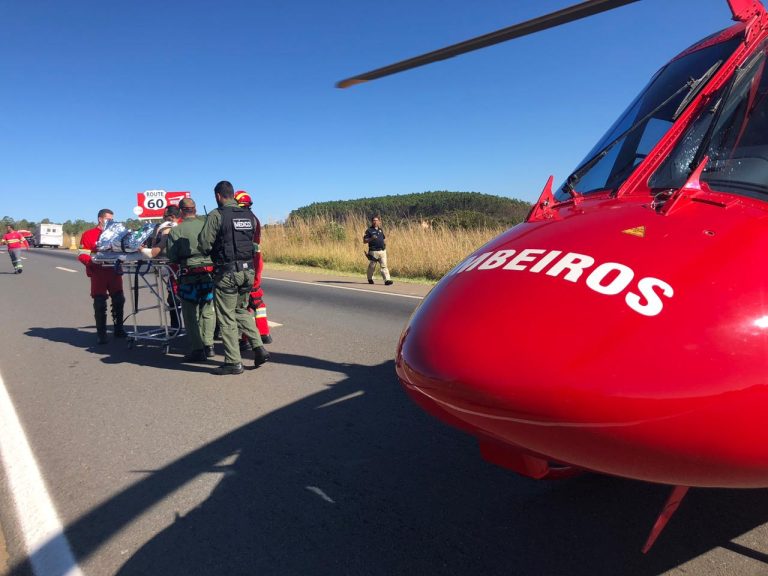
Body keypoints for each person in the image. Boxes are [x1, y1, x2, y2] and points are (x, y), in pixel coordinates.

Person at [198, 181, 269, 375]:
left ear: (218, 196)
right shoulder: (249, 216)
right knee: (240, 309)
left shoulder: (216, 215)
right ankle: (258, 347)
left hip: (227, 273)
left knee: (226, 316)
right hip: (248, 271)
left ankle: (233, 362)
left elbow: (204, 244)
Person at [166, 198, 216, 362]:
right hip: (208, 273)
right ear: (195, 209)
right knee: (207, 310)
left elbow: (172, 257)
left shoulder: (177, 230)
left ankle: (197, 349)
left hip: (189, 275)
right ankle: (209, 345)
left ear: (181, 211)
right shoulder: (206, 224)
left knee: (190, 314)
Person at [78, 209, 127, 344]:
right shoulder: (89, 235)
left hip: (114, 271)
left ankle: (119, 329)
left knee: (119, 299)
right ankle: (102, 333)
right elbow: (82, 254)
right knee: (99, 303)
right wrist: (91, 261)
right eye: (108, 219)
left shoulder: (117, 234)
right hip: (98, 272)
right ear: (100, 219)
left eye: (112, 219)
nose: (111, 222)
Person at [235, 190, 272, 347]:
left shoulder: (235, 218)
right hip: (256, 258)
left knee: (242, 303)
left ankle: (243, 338)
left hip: (242, 260)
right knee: (256, 297)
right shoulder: (254, 218)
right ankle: (263, 333)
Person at [141, 205, 183, 329]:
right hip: (182, 269)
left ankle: (176, 328)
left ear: (172, 217)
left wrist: (141, 248)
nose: (163, 218)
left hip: (179, 270)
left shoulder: (169, 227)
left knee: (175, 299)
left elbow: (155, 252)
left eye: (164, 216)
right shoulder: (189, 224)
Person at [363, 215, 393, 285]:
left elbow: (383, 239)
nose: (375, 222)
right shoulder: (369, 230)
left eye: (377, 220)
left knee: (384, 266)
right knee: (372, 266)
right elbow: (364, 241)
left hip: (382, 251)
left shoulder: (380, 230)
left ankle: (387, 280)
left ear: (379, 221)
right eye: (374, 220)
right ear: (372, 222)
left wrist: (385, 243)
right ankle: (370, 278)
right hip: (373, 251)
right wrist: (371, 238)